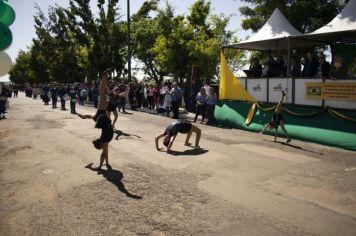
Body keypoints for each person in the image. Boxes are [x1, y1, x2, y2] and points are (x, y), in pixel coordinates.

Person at [77, 69, 114, 169]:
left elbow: (103, 153)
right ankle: (83, 117)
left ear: (100, 145)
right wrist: (106, 163)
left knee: (102, 93)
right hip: (100, 118)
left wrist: (98, 167)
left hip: (101, 116)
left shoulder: (104, 141)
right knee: (90, 115)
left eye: (100, 148)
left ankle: (104, 76)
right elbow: (105, 152)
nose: (102, 149)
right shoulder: (104, 142)